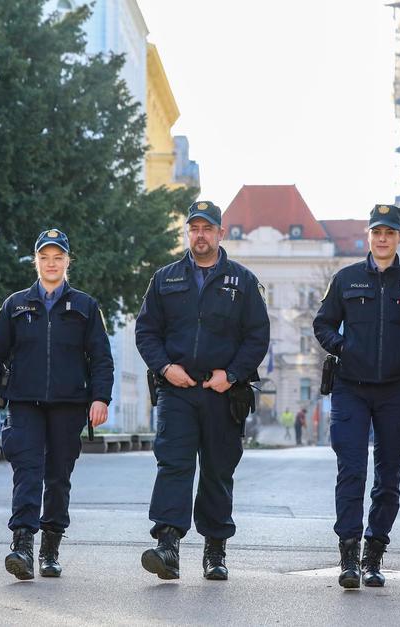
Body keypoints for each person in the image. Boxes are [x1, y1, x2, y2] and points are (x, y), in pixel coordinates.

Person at [135, 200, 270, 581]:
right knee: (173, 464)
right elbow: (146, 331)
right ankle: (167, 545)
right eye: (194, 227)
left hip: (223, 392)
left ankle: (215, 551)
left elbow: (257, 335)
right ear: (187, 233)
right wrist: (164, 367)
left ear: (220, 234)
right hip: (176, 388)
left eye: (207, 228)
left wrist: (232, 374)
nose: (200, 234)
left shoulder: (241, 282)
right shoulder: (165, 279)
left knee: (217, 470)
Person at [313, 204, 400, 590]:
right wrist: (342, 347)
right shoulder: (346, 279)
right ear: (369, 236)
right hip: (350, 388)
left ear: (399, 238)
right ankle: (348, 555)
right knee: (351, 471)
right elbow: (322, 324)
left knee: (389, 476)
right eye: (376, 232)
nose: (382, 238)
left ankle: (374, 553)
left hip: (394, 391)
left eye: (389, 232)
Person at [0, 229, 113, 581]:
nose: (51, 264)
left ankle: (50, 548)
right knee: (27, 472)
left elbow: (101, 358)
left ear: (68, 262)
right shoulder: (14, 305)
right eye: (44, 257)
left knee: (57, 478)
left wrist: (100, 397)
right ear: (36, 261)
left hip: (69, 405)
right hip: (24, 403)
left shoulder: (85, 306)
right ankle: (21, 545)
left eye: (58, 258)